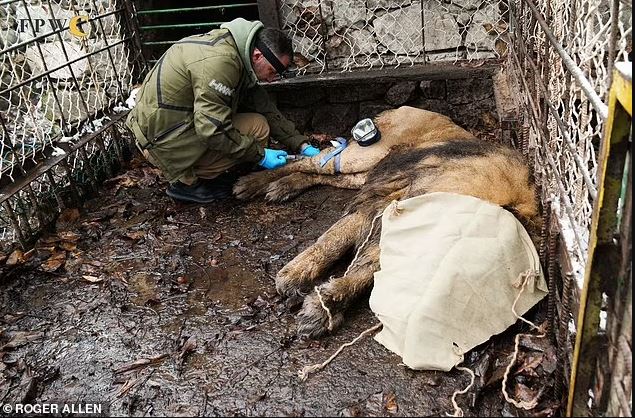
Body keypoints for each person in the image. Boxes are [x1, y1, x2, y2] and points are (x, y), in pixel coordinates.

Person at [125, 18, 320, 203]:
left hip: (169, 128)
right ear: (258, 56)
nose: (272, 79)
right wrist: (260, 155)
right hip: (160, 143)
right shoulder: (222, 64)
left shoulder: (236, 51)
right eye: (273, 71)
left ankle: (220, 169)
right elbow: (211, 129)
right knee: (257, 129)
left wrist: (300, 144)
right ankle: (186, 183)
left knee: (258, 124)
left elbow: (264, 107)